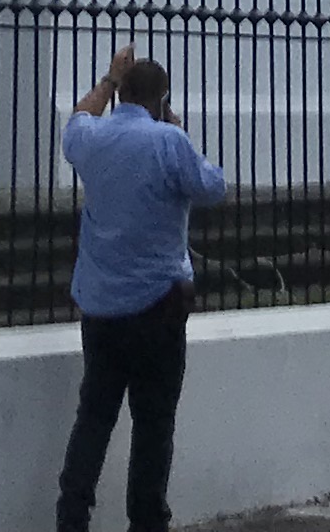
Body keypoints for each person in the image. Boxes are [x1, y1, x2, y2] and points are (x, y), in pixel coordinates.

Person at [55, 45, 228, 532]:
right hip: (159, 307)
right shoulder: (167, 142)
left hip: (101, 307)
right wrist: (172, 121)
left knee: (94, 418)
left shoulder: (93, 137)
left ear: (121, 94)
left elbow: (76, 120)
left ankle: (71, 516)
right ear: (160, 99)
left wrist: (108, 79)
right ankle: (146, 522)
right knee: (153, 427)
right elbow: (213, 185)